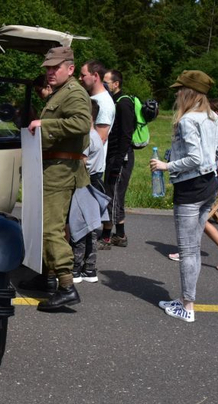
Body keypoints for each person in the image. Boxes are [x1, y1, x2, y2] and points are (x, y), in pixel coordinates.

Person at [150, 70, 218, 323]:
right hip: (209, 186)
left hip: (190, 189)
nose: (176, 94)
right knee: (193, 248)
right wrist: (205, 166)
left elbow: (195, 158)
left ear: (189, 92)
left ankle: (187, 306)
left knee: (188, 250)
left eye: (179, 90)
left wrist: (166, 165)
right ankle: (186, 300)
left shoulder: (187, 120)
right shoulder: (213, 116)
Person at [25, 46, 91, 311]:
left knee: (50, 227)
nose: (50, 72)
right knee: (42, 222)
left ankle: (66, 285)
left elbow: (82, 124)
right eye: (48, 68)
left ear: (70, 68)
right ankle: (47, 276)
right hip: (52, 165)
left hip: (61, 168)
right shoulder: (61, 92)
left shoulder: (74, 93)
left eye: (56, 67)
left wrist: (45, 125)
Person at [168, 98, 218, 270]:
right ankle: (195, 250)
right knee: (199, 217)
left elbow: (198, 157)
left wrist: (168, 165)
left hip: (207, 177)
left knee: (198, 218)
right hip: (211, 177)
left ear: (216, 112)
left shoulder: (209, 125)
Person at [71, 100, 106, 284]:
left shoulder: (87, 138)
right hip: (96, 183)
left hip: (86, 184)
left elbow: (81, 162)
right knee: (91, 227)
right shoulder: (96, 136)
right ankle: (89, 268)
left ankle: (75, 269)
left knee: (79, 227)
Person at [100, 70, 135, 249]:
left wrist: (118, 161)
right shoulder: (113, 101)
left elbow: (126, 135)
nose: (104, 85)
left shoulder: (123, 103)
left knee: (112, 196)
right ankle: (120, 235)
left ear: (116, 84)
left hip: (120, 157)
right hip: (113, 156)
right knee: (113, 194)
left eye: (106, 82)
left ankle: (107, 237)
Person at [79, 60, 115, 168]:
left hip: (90, 167)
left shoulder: (104, 103)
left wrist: (83, 160)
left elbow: (100, 138)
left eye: (83, 75)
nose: (79, 78)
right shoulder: (91, 98)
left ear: (95, 76)